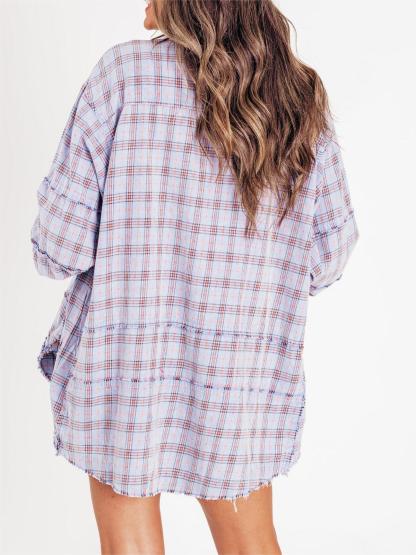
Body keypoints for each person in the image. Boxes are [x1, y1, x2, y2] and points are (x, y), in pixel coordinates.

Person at [30, 0, 360, 553]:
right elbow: (331, 251)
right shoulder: (297, 93)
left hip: (127, 367)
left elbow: (59, 247)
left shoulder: (123, 75)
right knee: (251, 545)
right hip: (242, 377)